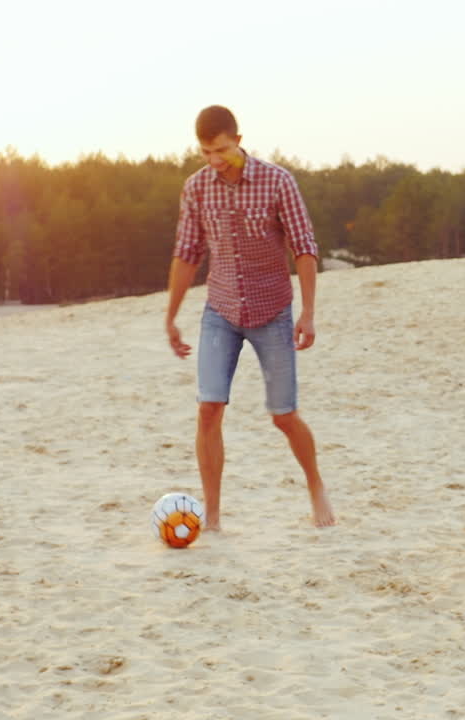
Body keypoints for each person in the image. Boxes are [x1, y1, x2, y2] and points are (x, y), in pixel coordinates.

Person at [164, 105, 335, 530]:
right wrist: (170, 317)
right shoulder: (196, 188)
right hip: (220, 311)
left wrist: (308, 313)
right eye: (206, 152)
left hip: (272, 311)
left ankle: (316, 486)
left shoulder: (278, 182)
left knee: (283, 414)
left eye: (221, 150)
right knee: (209, 408)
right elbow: (186, 255)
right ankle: (214, 516)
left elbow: (305, 248)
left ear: (238, 141)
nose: (214, 160)